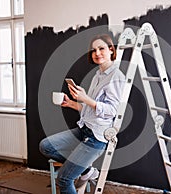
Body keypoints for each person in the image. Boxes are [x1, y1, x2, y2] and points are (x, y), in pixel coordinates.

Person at [39, 34, 125, 194]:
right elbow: (91, 109)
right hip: (84, 130)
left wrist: (85, 98)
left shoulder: (117, 77)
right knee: (46, 146)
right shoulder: (98, 74)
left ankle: (82, 170)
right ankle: (86, 171)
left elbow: (112, 111)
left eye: (101, 49)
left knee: (64, 179)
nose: (97, 53)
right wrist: (71, 103)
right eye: (94, 50)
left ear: (111, 50)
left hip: (97, 137)